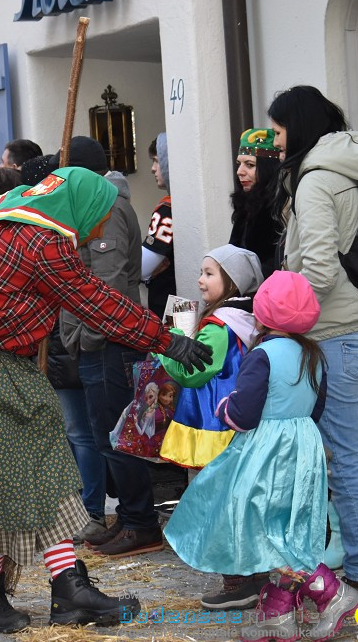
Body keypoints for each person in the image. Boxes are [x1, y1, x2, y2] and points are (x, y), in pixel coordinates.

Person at [0, 166, 212, 633]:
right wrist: (167, 338)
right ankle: (37, 592)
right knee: (23, 478)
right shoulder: (44, 243)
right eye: (99, 216)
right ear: (79, 207)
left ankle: (34, 590)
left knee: (22, 478)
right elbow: (95, 301)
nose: (98, 228)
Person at [164, 271, 358, 642]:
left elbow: (243, 415)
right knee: (289, 527)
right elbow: (317, 408)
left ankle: (333, 593)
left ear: (262, 313)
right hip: (304, 447)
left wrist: (225, 408)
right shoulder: (313, 354)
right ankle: (278, 616)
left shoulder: (262, 355)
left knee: (262, 525)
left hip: (267, 451)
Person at [269, 85, 358, 612]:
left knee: (346, 463)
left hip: (337, 337)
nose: (276, 143)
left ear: (298, 128)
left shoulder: (315, 181)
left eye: (279, 131)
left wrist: (281, 312)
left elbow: (319, 270)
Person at [56, 136, 163, 556]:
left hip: (109, 343)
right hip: (94, 342)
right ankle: (132, 518)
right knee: (105, 436)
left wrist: (88, 336)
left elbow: (110, 281)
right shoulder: (87, 208)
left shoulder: (109, 209)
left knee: (119, 437)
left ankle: (142, 522)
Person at [156, 245, 264, 608]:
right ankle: (255, 578)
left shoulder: (219, 327)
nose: (200, 281)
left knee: (220, 506)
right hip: (234, 424)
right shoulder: (247, 320)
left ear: (232, 282)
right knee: (238, 502)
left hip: (215, 427)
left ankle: (238, 585)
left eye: (209, 273)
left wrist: (165, 345)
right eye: (201, 272)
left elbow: (193, 370)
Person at [229, 129, 284, 278]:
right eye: (238, 164)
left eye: (250, 165)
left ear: (268, 168)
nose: (240, 171)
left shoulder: (280, 209)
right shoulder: (246, 203)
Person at [142, 133, 176, 320]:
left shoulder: (168, 208)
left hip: (167, 301)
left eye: (157, 161)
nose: (153, 169)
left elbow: (142, 266)